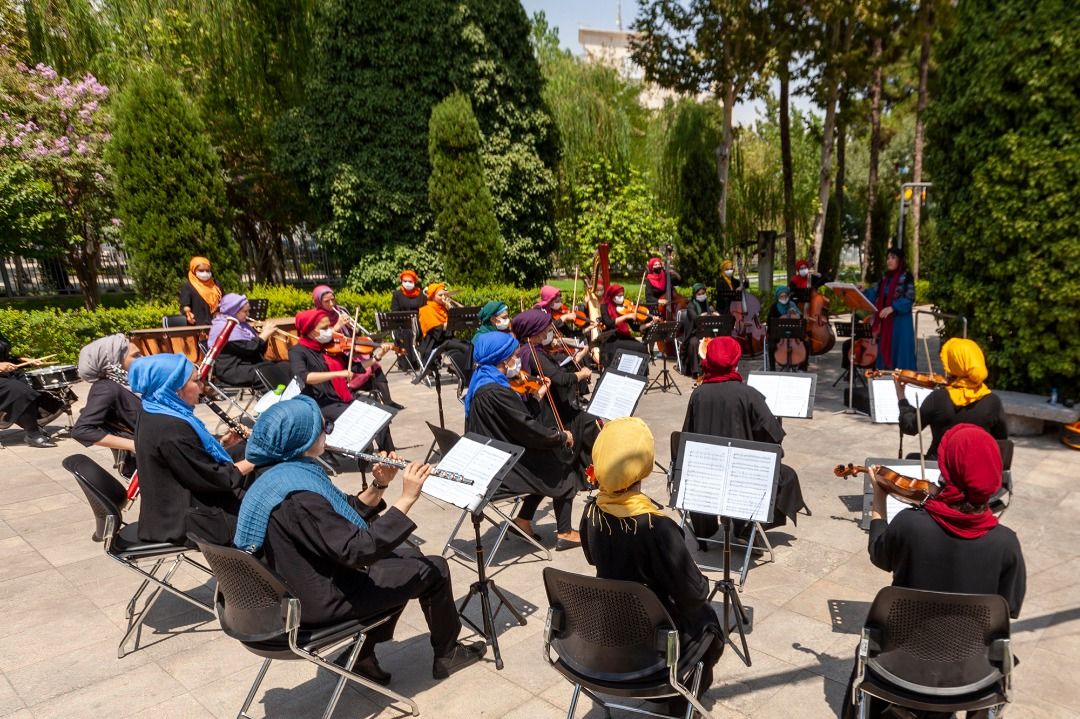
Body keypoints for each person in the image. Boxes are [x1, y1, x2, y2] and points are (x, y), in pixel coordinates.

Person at [233, 396, 486, 684]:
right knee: (434, 568)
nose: (327, 433)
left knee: (404, 558)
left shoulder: (276, 473)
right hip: (317, 603)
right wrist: (407, 498)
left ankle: (362, 655)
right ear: (300, 440)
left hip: (297, 586)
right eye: (322, 428)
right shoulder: (299, 496)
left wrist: (380, 485)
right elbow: (358, 550)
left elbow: (339, 519)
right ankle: (448, 653)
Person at [843, 424, 1025, 719]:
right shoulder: (1006, 543)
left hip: (899, 667)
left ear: (947, 470)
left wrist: (879, 495)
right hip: (969, 676)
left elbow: (879, 554)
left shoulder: (909, 524)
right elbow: (1009, 608)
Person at [580, 417, 723, 714]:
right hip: (656, 643)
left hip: (610, 630)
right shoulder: (657, 528)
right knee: (707, 619)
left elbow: (594, 559)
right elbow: (693, 594)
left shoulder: (591, 513)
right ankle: (678, 698)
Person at [464, 331, 581, 549]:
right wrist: (561, 436)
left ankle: (523, 521)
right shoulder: (496, 391)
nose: (518, 360)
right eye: (515, 356)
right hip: (500, 471)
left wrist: (536, 399)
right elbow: (528, 430)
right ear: (503, 359)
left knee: (544, 464)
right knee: (563, 465)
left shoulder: (482, 381)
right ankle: (565, 532)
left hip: (491, 457)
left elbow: (514, 420)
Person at [681, 337, 808, 537]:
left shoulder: (698, 394)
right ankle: (747, 528)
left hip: (706, 478)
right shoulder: (749, 394)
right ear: (735, 361)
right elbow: (772, 438)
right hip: (743, 478)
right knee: (788, 476)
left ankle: (713, 529)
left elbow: (687, 437)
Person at [130, 353, 255, 545]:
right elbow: (219, 478)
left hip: (171, 505)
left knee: (242, 452)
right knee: (268, 510)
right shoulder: (171, 427)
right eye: (196, 381)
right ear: (175, 388)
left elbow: (185, 456)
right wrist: (260, 458)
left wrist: (222, 444)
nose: (202, 387)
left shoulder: (153, 408)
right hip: (184, 521)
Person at [897, 338, 1008, 459]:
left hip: (939, 467)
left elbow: (910, 427)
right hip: (974, 468)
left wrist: (901, 397)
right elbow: (1001, 439)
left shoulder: (938, 399)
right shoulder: (993, 402)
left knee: (911, 458)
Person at [72, 334, 144, 474]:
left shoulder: (127, 383)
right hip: (143, 464)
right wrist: (134, 444)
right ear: (113, 361)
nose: (142, 358)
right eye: (136, 355)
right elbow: (81, 431)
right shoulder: (106, 388)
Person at [207, 294, 291, 389]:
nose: (248, 314)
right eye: (245, 311)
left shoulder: (241, 326)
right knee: (268, 371)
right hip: (232, 370)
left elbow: (257, 352)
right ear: (234, 311)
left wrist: (264, 337)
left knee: (285, 366)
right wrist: (264, 335)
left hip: (246, 364)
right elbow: (249, 350)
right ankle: (276, 399)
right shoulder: (224, 328)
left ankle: (292, 396)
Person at [0, 332, 65, 447]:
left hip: (5, 374)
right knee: (20, 391)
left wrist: (26, 360)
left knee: (32, 383)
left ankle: (32, 423)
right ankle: (32, 435)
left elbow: (5, 357)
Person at [864, 246, 916, 371]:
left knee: (901, 354)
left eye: (893, 258)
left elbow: (910, 298)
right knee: (885, 354)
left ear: (900, 261)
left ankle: (904, 385)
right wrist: (862, 291)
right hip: (886, 322)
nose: (889, 261)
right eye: (888, 258)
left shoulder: (906, 277)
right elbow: (874, 292)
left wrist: (893, 307)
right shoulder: (885, 278)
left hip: (901, 324)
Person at [417, 283, 472, 382]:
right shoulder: (426, 310)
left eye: (444, 294)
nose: (443, 297)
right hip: (435, 342)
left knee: (469, 344)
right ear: (432, 296)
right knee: (466, 348)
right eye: (440, 295)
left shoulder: (444, 307)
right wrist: (452, 321)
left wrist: (451, 309)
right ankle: (466, 373)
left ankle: (459, 368)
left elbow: (461, 317)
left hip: (447, 339)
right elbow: (436, 329)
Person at [598, 284, 652, 369]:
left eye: (622, 295)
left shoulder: (625, 307)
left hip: (623, 336)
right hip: (611, 339)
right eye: (619, 296)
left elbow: (636, 328)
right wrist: (626, 317)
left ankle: (639, 373)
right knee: (631, 347)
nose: (621, 298)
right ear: (612, 295)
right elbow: (609, 323)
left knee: (642, 347)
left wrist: (650, 323)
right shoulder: (604, 307)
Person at [389, 270, 426, 369]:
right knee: (406, 333)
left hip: (418, 324)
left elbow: (424, 310)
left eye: (410, 281)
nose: (407, 283)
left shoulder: (421, 294)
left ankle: (423, 360)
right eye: (405, 281)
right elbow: (394, 311)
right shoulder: (397, 294)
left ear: (414, 281)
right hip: (403, 325)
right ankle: (408, 362)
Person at [768, 285, 808, 371]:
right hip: (779, 336)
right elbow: (770, 323)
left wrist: (796, 314)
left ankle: (803, 367)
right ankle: (772, 368)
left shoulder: (792, 304)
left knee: (807, 343)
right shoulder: (774, 307)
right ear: (778, 297)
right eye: (781, 296)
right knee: (771, 346)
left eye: (785, 296)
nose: (783, 298)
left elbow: (801, 319)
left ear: (788, 296)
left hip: (794, 334)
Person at [680, 283, 715, 377]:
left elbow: (712, 312)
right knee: (694, 343)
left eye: (703, 293)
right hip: (694, 333)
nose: (701, 296)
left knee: (716, 341)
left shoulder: (708, 303)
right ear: (695, 295)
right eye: (699, 294)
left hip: (708, 332)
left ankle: (714, 368)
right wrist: (701, 316)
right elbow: (695, 318)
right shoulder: (691, 305)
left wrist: (714, 314)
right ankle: (696, 371)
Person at [180, 256, 222, 326]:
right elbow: (185, 305)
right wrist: (188, 314)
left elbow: (224, 301)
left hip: (218, 324)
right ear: (193, 270)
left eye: (207, 270)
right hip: (198, 326)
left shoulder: (216, 284)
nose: (205, 273)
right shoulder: (188, 286)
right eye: (201, 270)